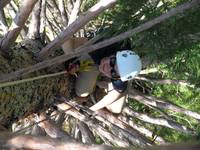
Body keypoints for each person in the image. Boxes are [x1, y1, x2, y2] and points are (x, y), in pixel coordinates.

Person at [62, 38, 142, 114]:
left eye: (113, 73)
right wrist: (71, 58)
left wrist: (91, 109)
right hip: (91, 51)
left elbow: (116, 94)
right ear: (115, 54)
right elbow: (65, 40)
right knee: (68, 48)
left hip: (96, 64)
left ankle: (98, 81)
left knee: (82, 93)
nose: (108, 68)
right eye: (112, 62)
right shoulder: (105, 43)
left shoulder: (122, 72)